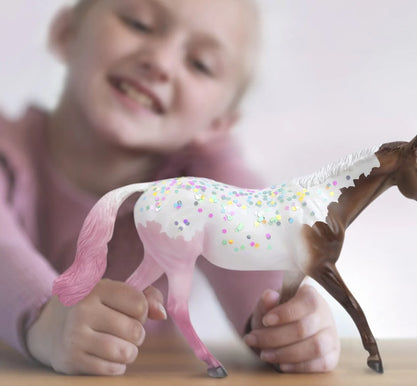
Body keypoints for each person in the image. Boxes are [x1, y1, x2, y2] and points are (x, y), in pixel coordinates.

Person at [0, 0, 340, 376]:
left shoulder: (203, 181)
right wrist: (45, 320)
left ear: (218, 123)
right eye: (139, 24)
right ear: (66, 32)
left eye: (200, 64)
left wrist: (289, 324)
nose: (160, 62)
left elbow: (259, 239)